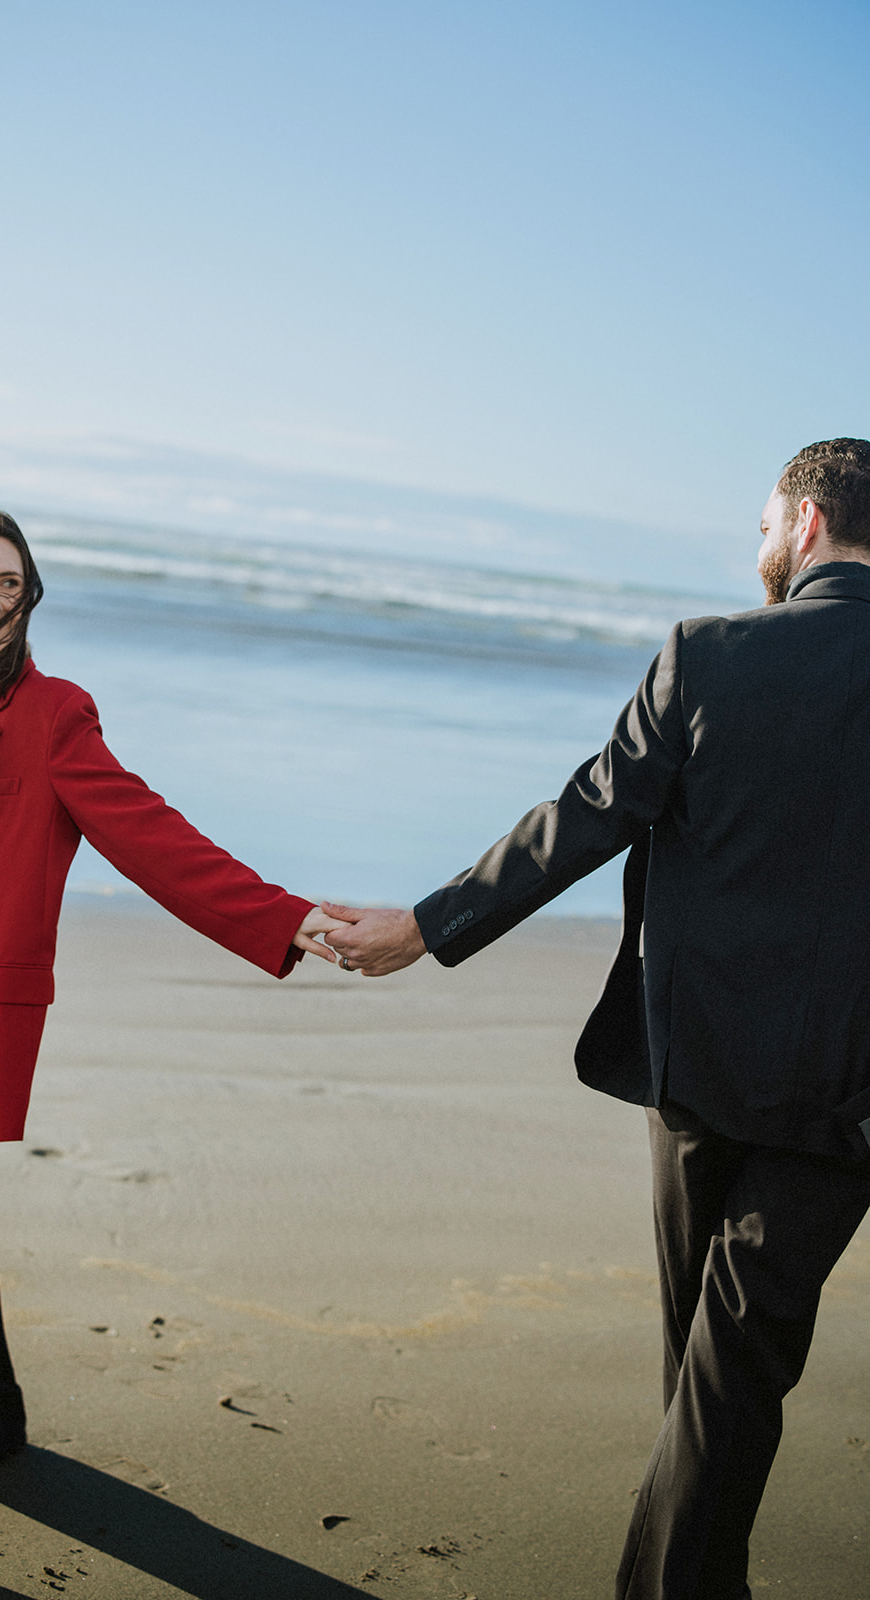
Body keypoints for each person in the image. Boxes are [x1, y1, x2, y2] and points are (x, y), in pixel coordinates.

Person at [323, 438, 870, 1600]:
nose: (758, 545)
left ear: (805, 524)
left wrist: (427, 926)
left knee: (711, 1356)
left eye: (764, 522)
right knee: (727, 1360)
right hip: (850, 1087)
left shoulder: (710, 654)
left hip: (701, 1063)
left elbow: (588, 812)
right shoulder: (715, 652)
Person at [0, 506, 344, 1566]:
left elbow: (149, 834)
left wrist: (284, 916)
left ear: (29, 594)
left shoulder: (50, 713)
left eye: (11, 582)